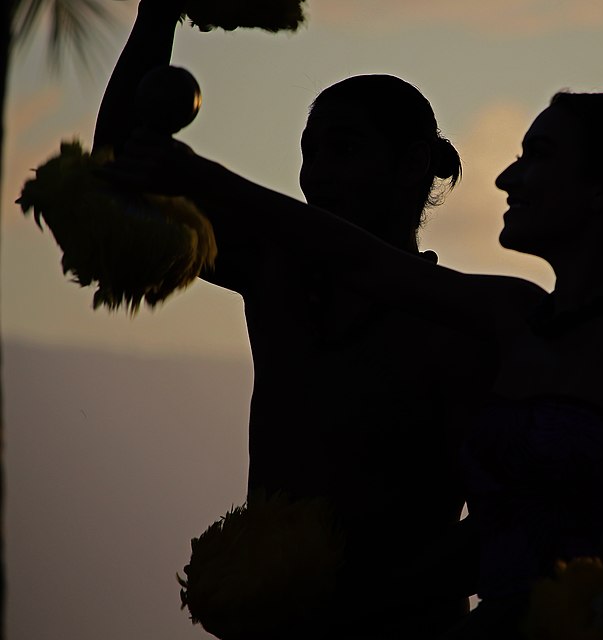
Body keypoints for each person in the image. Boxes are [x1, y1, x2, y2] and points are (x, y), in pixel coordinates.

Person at [110, 90, 603, 638]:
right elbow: (350, 255)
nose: (507, 178)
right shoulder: (507, 314)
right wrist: (197, 178)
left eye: (538, 156)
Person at [95, 1, 482, 636]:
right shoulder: (276, 273)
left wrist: (361, 606)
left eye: (344, 148)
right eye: (309, 151)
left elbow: (503, 520)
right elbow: (121, 180)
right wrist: (157, 15)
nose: (318, 172)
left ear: (414, 165)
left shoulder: (457, 322)